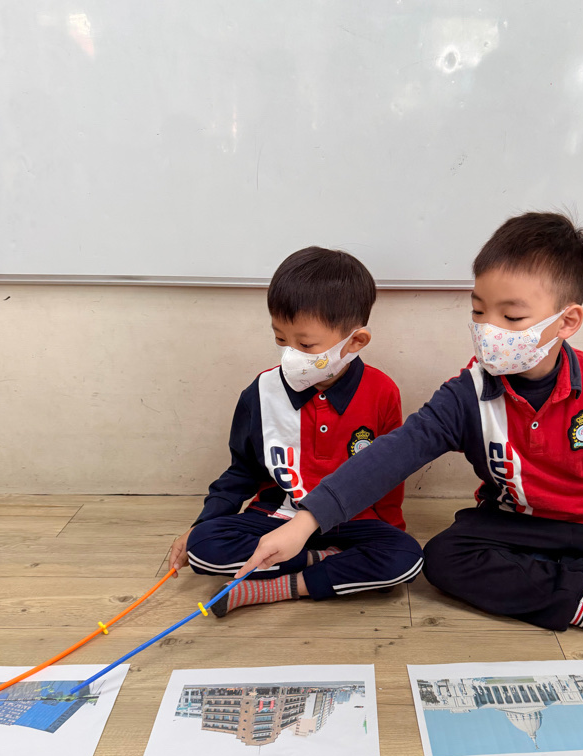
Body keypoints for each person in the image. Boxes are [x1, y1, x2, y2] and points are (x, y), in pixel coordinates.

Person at [234, 213, 583, 669]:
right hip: (516, 525)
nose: (489, 330)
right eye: (478, 311)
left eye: (511, 318)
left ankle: (550, 577)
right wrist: (307, 521)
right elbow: (394, 453)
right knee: (445, 559)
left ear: (567, 321)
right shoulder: (465, 395)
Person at [167, 246, 424, 614]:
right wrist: (202, 524)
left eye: (305, 344)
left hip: (352, 522)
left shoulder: (382, 391)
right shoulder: (261, 391)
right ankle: (326, 563)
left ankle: (280, 586)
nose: (290, 354)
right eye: (280, 339)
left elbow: (388, 474)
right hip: (277, 516)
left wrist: (390, 530)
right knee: (203, 547)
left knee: (405, 557)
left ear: (355, 342)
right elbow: (242, 470)